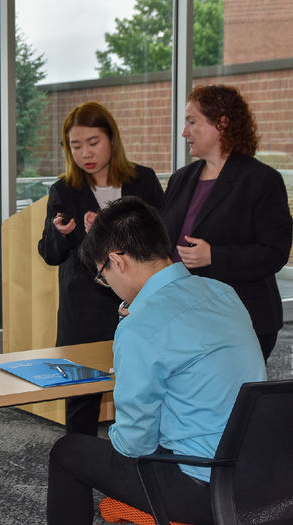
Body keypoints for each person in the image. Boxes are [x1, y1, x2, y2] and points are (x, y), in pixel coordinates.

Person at [46, 196, 266, 525]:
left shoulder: (140, 327)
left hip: (202, 487)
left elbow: (135, 444)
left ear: (117, 261)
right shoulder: (223, 293)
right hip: (262, 472)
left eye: (104, 276)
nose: (110, 286)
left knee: (67, 453)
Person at [38, 101, 164, 436]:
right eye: (76, 146)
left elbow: (161, 240)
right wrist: (61, 232)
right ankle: (78, 469)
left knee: (141, 396)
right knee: (81, 401)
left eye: (93, 143)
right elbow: (50, 254)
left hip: (139, 306)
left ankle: (137, 473)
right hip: (84, 310)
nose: (85, 153)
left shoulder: (144, 181)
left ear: (111, 139)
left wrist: (109, 231)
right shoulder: (65, 189)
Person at [162, 84, 292, 362]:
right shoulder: (180, 179)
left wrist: (214, 256)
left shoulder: (261, 180)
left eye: (192, 121)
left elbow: (274, 253)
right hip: (185, 317)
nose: (184, 132)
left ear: (222, 123)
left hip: (241, 321)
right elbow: (164, 243)